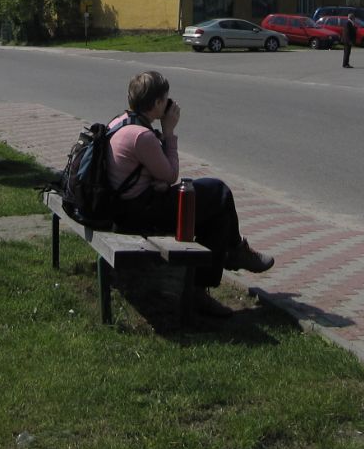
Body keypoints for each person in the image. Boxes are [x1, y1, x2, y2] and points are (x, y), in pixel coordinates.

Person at [104, 70, 274, 318]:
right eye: (166, 99)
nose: (169, 104)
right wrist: (169, 132)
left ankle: (220, 266)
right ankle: (228, 257)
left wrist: (159, 181)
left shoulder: (120, 122)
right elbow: (171, 174)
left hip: (125, 206)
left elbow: (146, 171)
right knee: (219, 192)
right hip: (138, 212)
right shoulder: (142, 136)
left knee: (214, 212)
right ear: (157, 103)